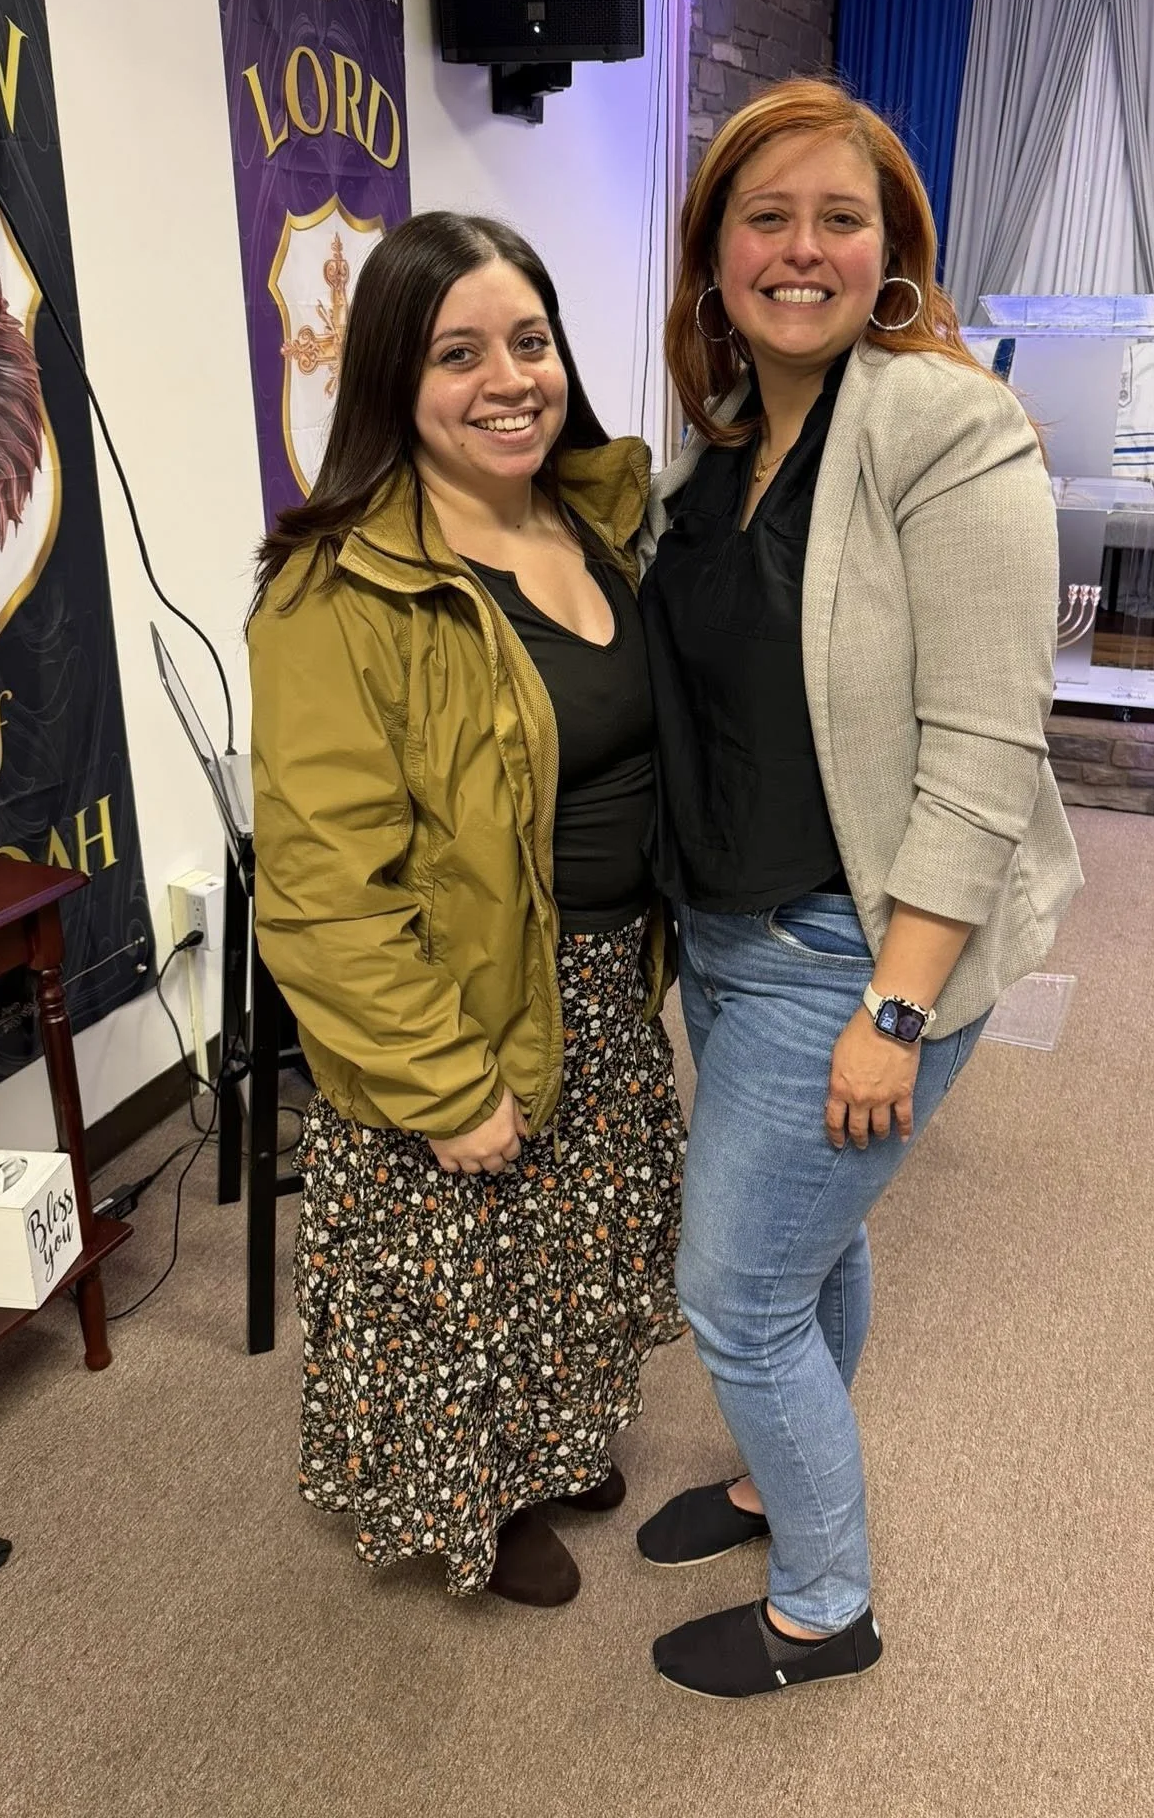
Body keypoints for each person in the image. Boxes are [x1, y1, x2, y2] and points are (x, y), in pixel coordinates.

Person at [634, 78, 1083, 1696]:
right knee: (812, 1246)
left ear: (893, 250)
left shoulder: (942, 425)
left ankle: (828, 1607)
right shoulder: (731, 443)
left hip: (859, 947)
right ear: (716, 252)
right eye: (768, 217)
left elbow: (985, 746)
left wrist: (894, 1006)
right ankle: (769, 1485)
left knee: (734, 1290)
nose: (803, 249)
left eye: (841, 218)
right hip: (734, 939)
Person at [248, 212, 684, 1609]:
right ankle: (469, 1505)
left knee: (572, 1246)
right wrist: (440, 1084)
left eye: (531, 341)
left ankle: (551, 1448)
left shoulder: (600, 515)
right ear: (392, 378)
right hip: (453, 1010)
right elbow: (321, 898)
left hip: (603, 976)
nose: (509, 379)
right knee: (458, 1285)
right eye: (458, 353)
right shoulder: (337, 588)